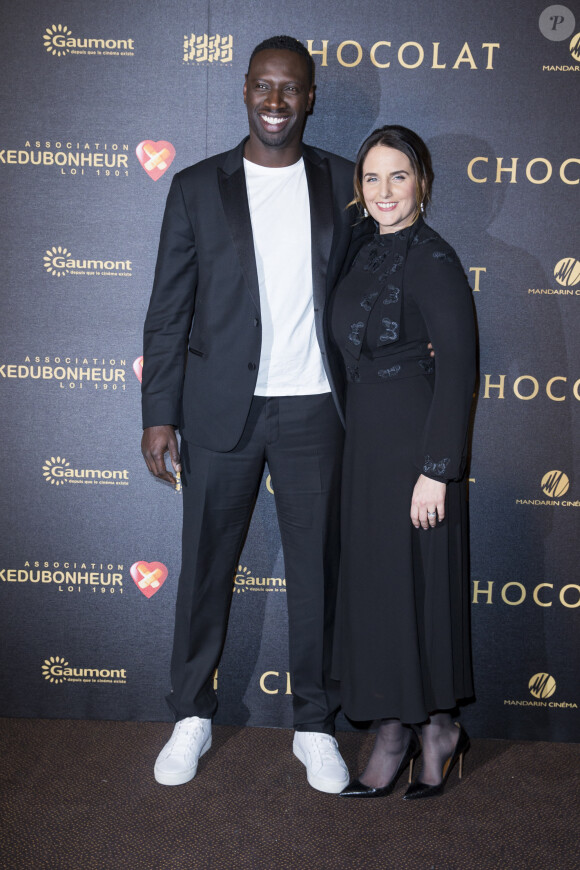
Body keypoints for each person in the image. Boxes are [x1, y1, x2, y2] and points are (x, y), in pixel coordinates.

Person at [140, 36, 359, 793]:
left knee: (318, 578)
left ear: (311, 95)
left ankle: (315, 725)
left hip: (313, 413)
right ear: (243, 91)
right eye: (263, 87)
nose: (275, 102)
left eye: (289, 88)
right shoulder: (199, 186)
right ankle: (191, 715)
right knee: (204, 568)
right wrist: (158, 412)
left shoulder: (342, 180)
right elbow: (168, 310)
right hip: (218, 411)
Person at [330, 126, 476, 799]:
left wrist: (437, 469)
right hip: (363, 447)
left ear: (423, 183)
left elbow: (460, 370)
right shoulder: (358, 248)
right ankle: (391, 730)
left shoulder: (435, 258)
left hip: (415, 449)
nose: (384, 191)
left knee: (419, 592)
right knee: (378, 593)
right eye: (371, 178)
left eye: (398, 177)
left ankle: (438, 729)